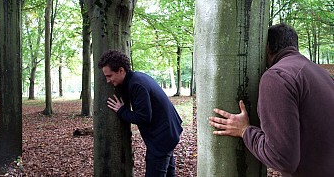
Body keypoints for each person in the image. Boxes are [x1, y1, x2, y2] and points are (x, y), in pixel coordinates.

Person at [208, 23, 334, 177]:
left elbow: (282, 158)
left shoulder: (277, 76)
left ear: (267, 47)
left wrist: (244, 131)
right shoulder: (323, 75)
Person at [98, 50, 183, 177]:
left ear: (121, 70)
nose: (107, 81)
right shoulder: (137, 78)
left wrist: (121, 111)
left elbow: (143, 117)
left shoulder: (136, 85)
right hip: (169, 132)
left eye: (109, 76)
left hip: (162, 138)